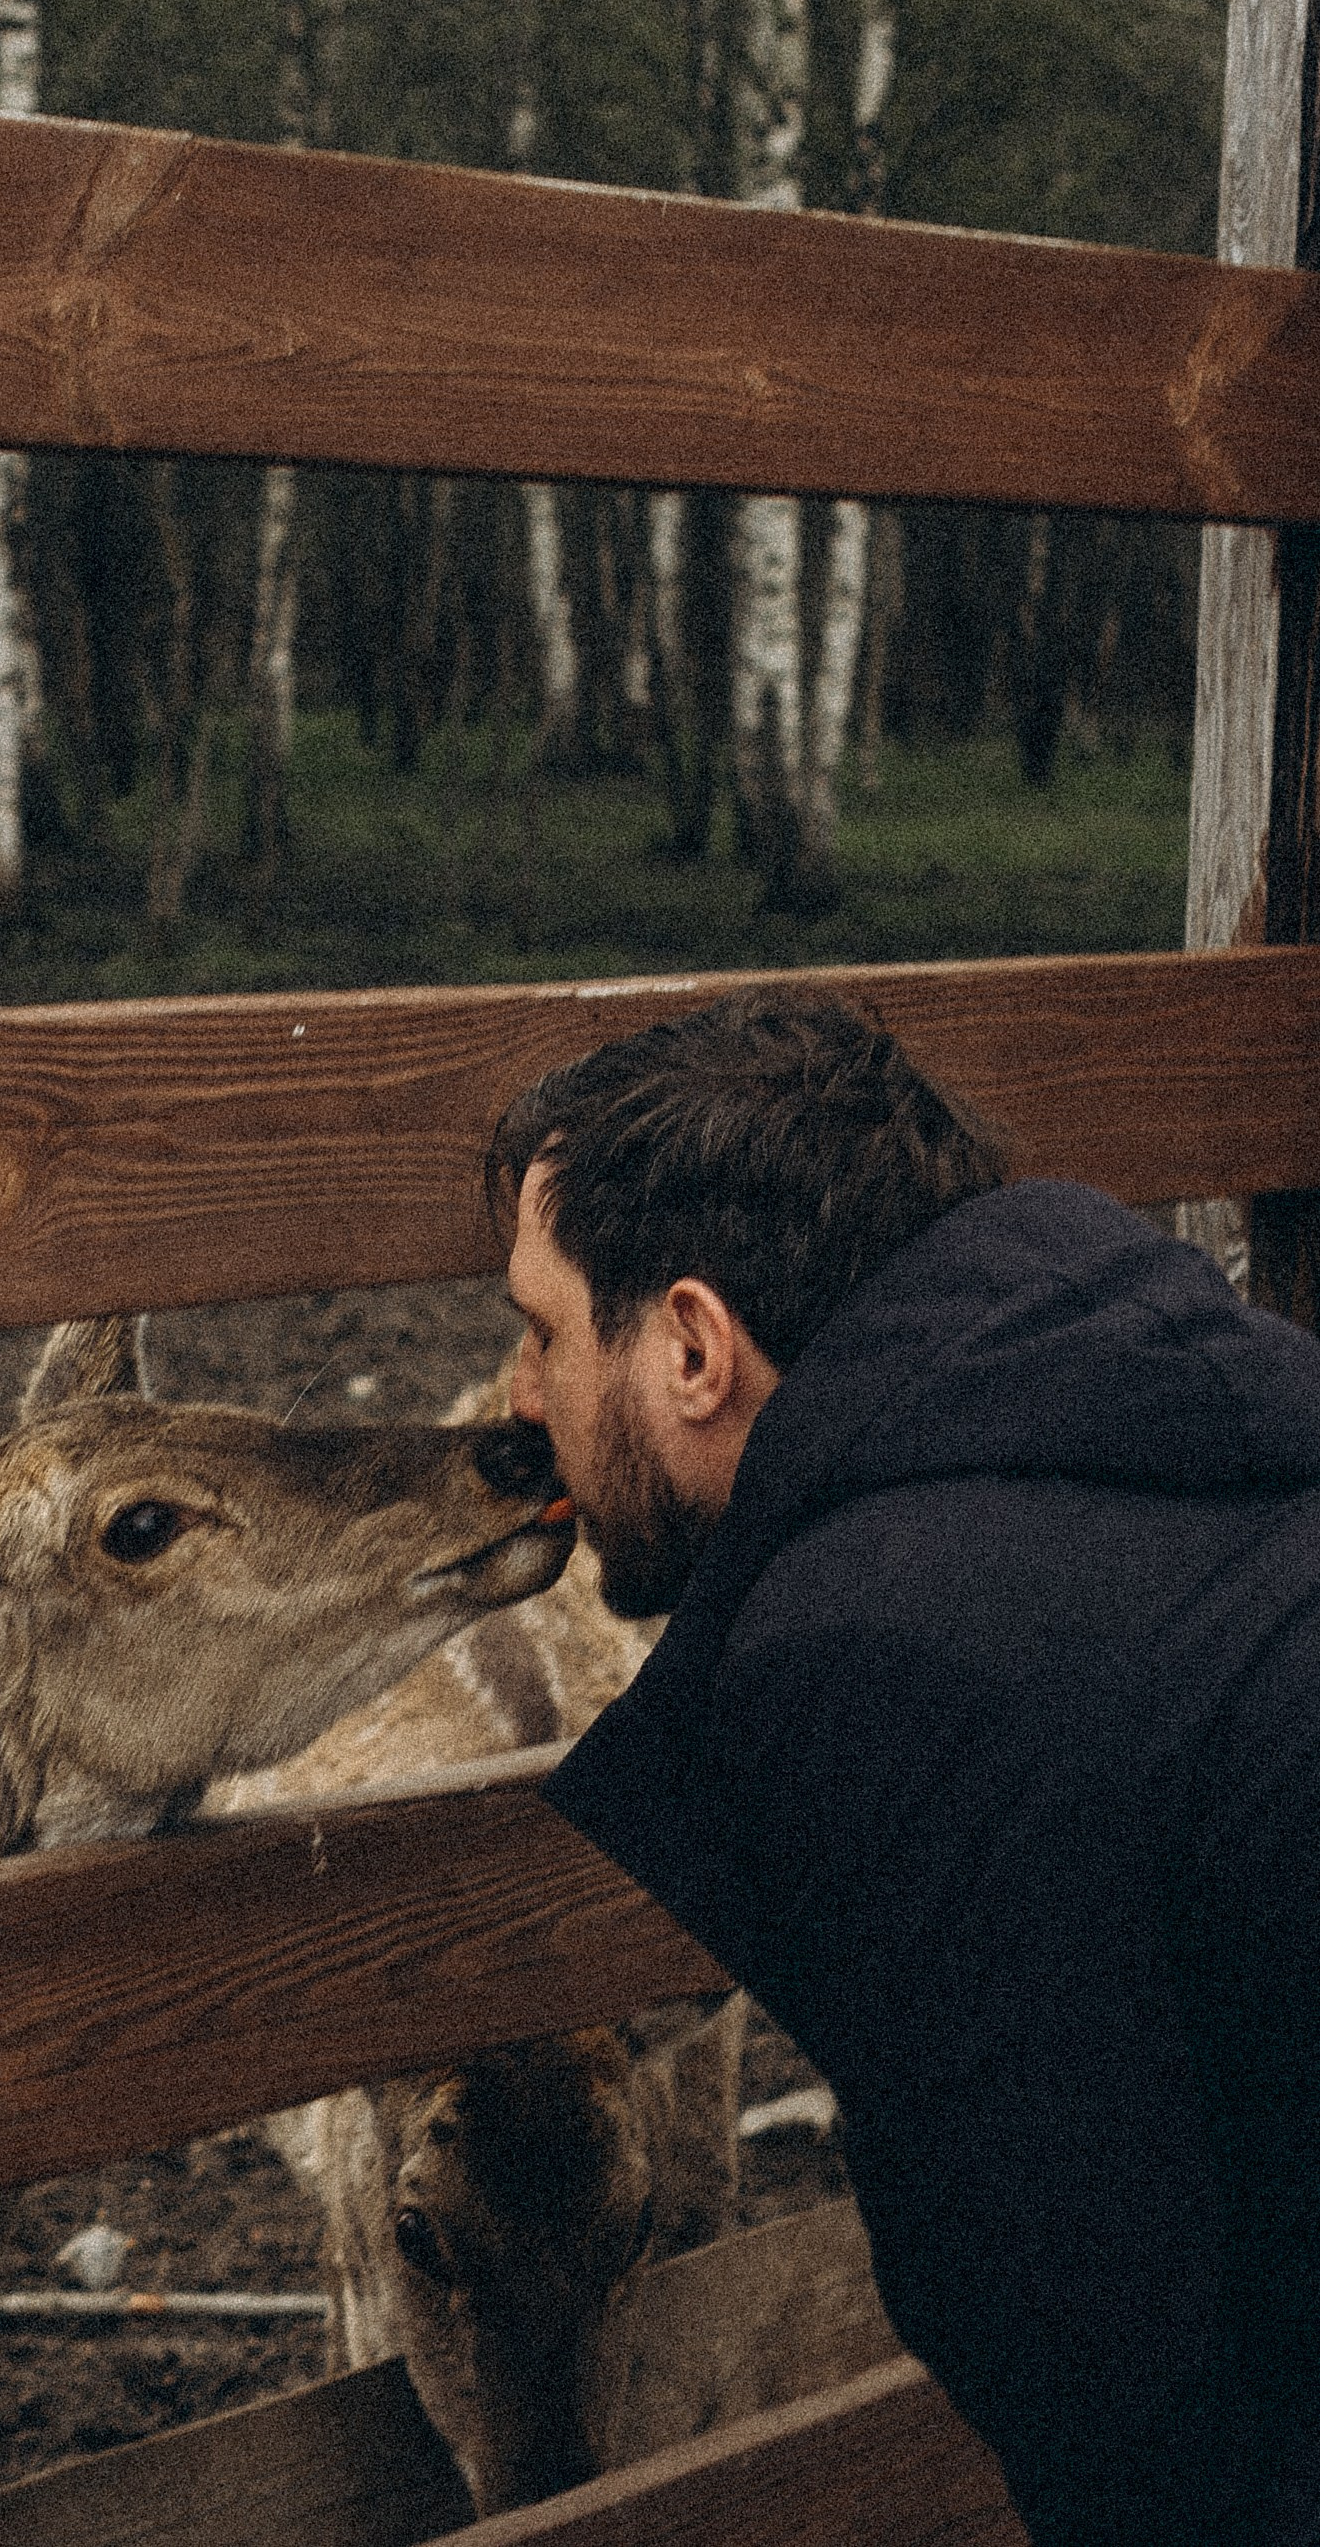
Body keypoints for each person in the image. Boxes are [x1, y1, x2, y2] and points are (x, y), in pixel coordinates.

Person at [491, 992, 1320, 2547]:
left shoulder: (876, 1653)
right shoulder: (1190, 1414)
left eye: (540, 1331)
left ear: (688, 1344)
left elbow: (1102, 2371)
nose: (520, 1401)